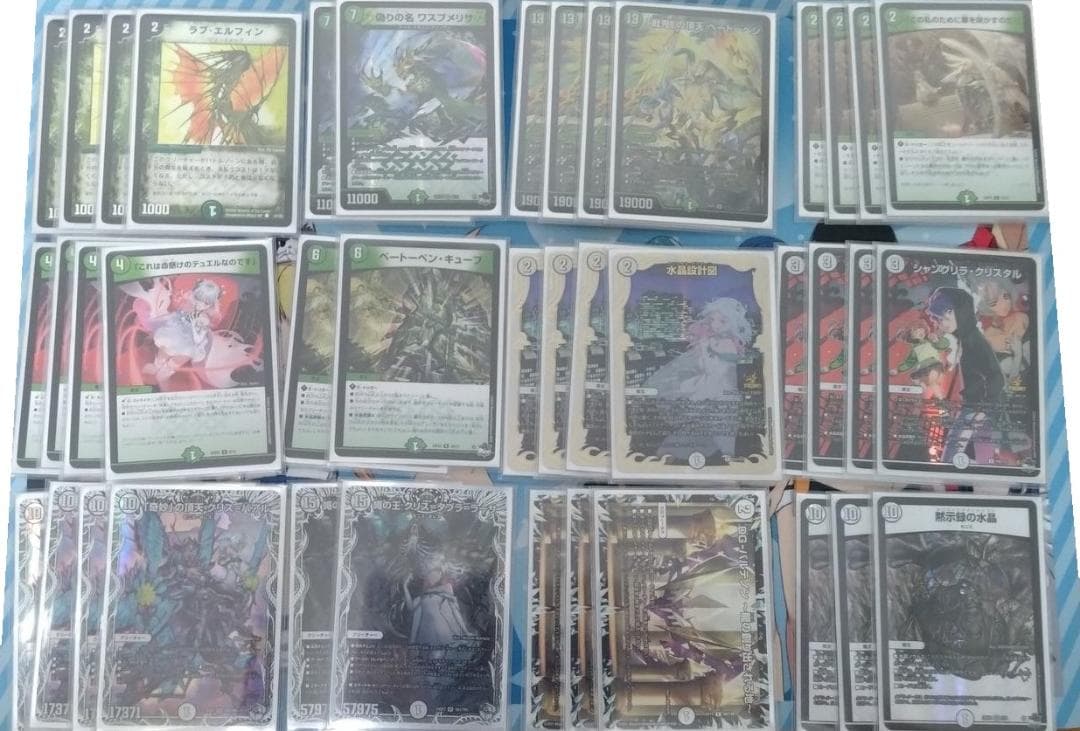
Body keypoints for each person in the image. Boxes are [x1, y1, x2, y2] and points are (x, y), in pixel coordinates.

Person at [927, 287, 1005, 465]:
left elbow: (996, 377)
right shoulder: (967, 339)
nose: (940, 324)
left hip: (974, 410)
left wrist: (982, 410)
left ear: (953, 311)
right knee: (979, 461)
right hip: (975, 409)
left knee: (949, 460)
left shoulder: (974, 341)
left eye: (941, 318)